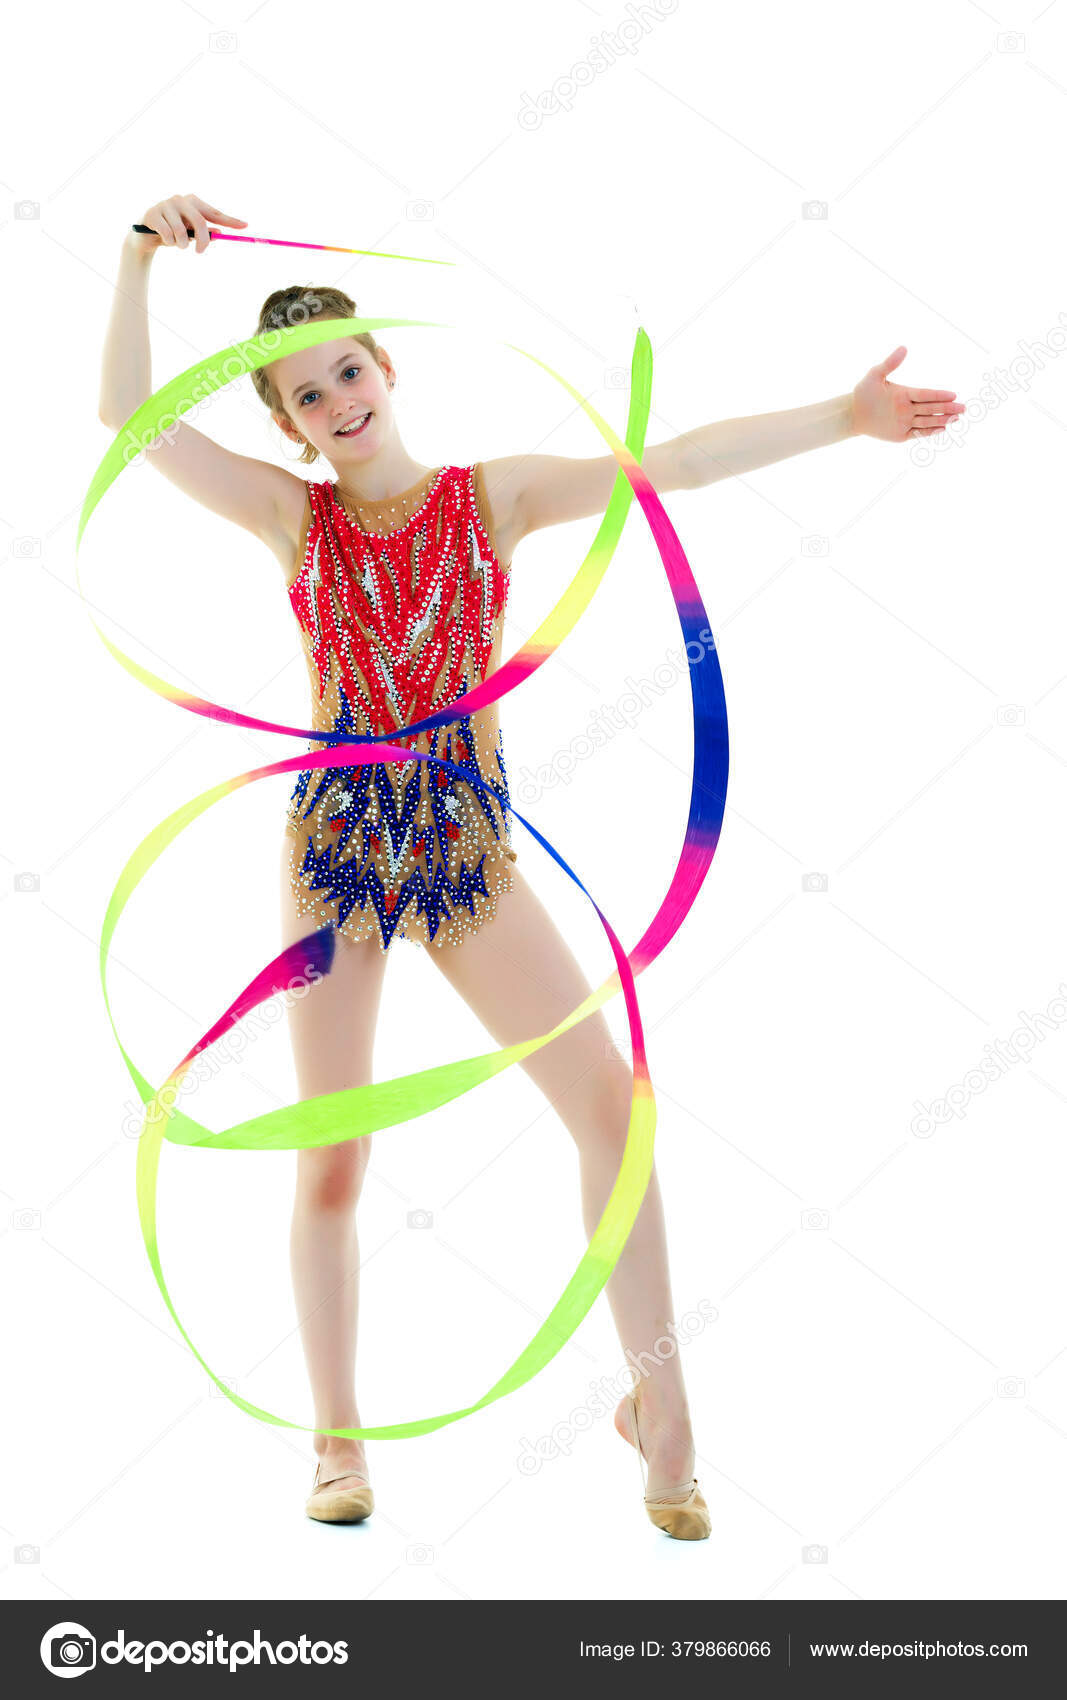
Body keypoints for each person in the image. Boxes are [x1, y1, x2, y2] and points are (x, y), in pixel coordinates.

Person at [98, 192, 962, 1540]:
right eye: (307, 397)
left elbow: (670, 464)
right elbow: (128, 418)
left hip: (467, 851)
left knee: (613, 1115)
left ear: (388, 367)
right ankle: (337, 1441)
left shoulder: (491, 498)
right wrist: (139, 257)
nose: (337, 403)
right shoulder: (288, 517)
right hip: (337, 857)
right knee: (333, 1156)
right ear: (287, 426)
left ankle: (663, 1416)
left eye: (348, 372)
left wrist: (843, 420)